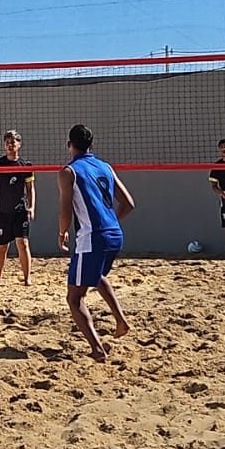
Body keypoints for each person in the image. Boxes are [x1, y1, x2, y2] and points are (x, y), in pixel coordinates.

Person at [57, 124, 135, 361]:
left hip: (92, 237)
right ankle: (121, 321)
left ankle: (97, 349)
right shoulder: (106, 167)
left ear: (69, 145)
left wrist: (62, 232)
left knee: (74, 297)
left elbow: (65, 209)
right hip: (114, 234)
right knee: (97, 275)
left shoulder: (69, 171)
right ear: (92, 145)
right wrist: (109, 222)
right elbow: (129, 204)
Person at [0, 129, 36, 285]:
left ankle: (27, 278)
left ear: (19, 144)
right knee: (2, 246)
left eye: (13, 142)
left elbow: (30, 189)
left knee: (23, 243)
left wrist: (32, 207)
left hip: (20, 210)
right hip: (3, 211)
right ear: (4, 145)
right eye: (8, 142)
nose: (11, 145)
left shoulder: (25, 165)